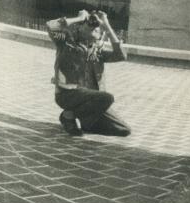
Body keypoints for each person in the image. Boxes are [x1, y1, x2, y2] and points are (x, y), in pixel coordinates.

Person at [46, 8, 131, 137]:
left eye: (97, 28)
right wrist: (80, 18)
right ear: (80, 28)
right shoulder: (66, 43)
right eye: (89, 25)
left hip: (92, 100)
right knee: (107, 98)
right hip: (68, 95)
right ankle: (68, 115)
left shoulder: (98, 52)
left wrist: (106, 24)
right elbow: (51, 26)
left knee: (124, 130)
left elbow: (121, 55)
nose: (94, 28)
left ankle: (86, 122)